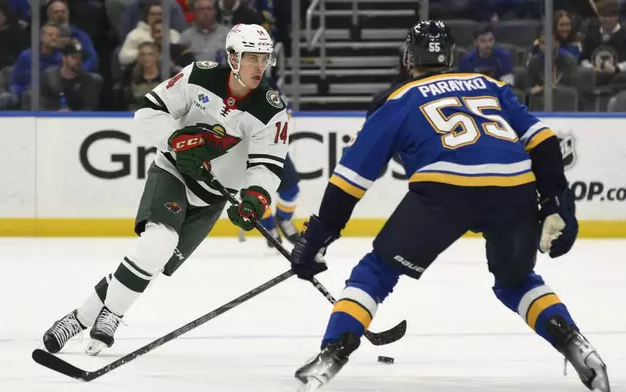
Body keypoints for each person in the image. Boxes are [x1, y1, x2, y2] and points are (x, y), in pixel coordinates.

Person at [289, 20, 610, 392]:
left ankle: (332, 353)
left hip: (446, 190)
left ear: (408, 58)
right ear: (452, 57)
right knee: (516, 282)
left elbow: (350, 179)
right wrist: (557, 200)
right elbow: (543, 139)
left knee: (375, 272)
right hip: (515, 188)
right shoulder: (489, 85)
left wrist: (318, 236)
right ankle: (576, 344)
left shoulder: (398, 100)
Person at [41, 23, 289, 356]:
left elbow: (267, 166)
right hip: (173, 172)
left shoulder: (271, 109)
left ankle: (79, 317)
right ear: (232, 57)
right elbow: (147, 113)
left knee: (151, 261)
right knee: (158, 242)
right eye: (250, 58)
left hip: (212, 198)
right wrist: (174, 140)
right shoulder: (199, 76)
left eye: (264, 58)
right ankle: (111, 315)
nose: (259, 66)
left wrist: (255, 198)